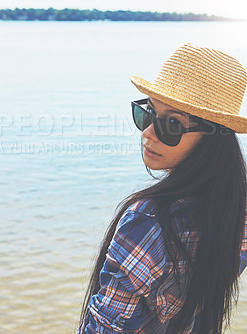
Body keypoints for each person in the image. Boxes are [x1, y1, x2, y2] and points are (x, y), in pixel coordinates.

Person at [76, 43, 247, 334]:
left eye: (171, 124)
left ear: (211, 139)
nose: (147, 132)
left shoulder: (147, 221)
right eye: (147, 113)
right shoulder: (237, 210)